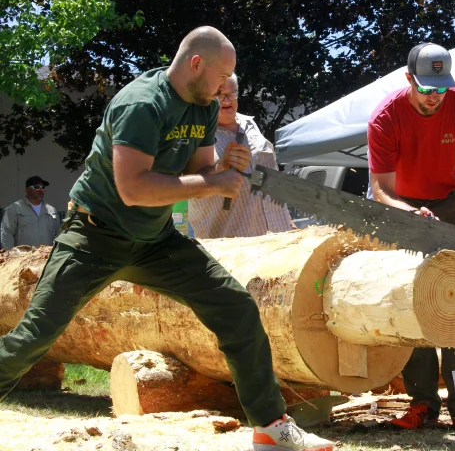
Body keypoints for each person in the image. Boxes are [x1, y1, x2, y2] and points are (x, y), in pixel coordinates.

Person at [0, 27, 333, 451]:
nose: (224, 90)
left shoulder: (203, 106)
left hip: (155, 238)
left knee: (236, 307)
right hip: (95, 235)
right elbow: (133, 189)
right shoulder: (142, 104)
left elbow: (200, 172)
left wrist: (224, 167)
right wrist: (212, 184)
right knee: (36, 336)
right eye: (220, 78)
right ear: (196, 64)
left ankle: (270, 426)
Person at [368, 42, 455, 430]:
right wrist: (410, 214)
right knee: (411, 304)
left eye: (441, 89)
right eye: (425, 89)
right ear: (409, 79)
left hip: (451, 200)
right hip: (402, 205)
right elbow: (381, 190)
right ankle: (422, 402)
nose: (434, 97)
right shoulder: (384, 118)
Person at [188, 74, 293, 238]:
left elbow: (266, 176)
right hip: (234, 249)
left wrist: (287, 220)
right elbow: (189, 187)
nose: (227, 101)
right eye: (220, 95)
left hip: (279, 238)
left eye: (232, 94)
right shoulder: (194, 132)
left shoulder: (249, 124)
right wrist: (220, 167)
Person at [1, 176, 60, 249]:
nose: (40, 190)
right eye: (36, 187)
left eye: (43, 187)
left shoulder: (52, 211)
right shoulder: (15, 209)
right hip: (23, 258)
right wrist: (8, 256)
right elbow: (6, 234)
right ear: (27, 190)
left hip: (46, 258)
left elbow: (58, 236)